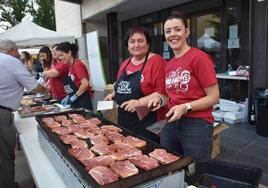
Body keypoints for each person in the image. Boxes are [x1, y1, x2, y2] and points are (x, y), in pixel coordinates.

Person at [148, 11, 220, 161]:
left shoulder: (199, 58)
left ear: (187, 32)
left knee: (196, 171)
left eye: (177, 29)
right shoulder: (169, 64)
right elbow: (172, 96)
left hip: (196, 123)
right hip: (170, 122)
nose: (172, 34)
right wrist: (160, 102)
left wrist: (185, 107)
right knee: (170, 165)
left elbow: (214, 97)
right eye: (168, 31)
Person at [104, 26, 166, 142]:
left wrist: (138, 103)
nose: (136, 45)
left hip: (149, 123)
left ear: (148, 43)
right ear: (127, 45)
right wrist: (113, 94)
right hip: (125, 120)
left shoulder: (157, 61)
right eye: (132, 41)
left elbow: (162, 93)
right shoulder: (126, 63)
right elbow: (119, 83)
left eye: (140, 41)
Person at [0, 39, 49, 188]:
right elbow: (33, 86)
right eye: (17, 51)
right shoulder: (11, 61)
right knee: (6, 155)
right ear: (12, 50)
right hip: (2, 114)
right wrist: (46, 91)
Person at [58, 42, 93, 110]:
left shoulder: (77, 65)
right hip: (77, 100)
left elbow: (85, 84)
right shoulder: (71, 66)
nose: (60, 58)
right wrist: (69, 96)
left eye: (62, 55)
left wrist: (74, 96)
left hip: (83, 100)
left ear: (69, 53)